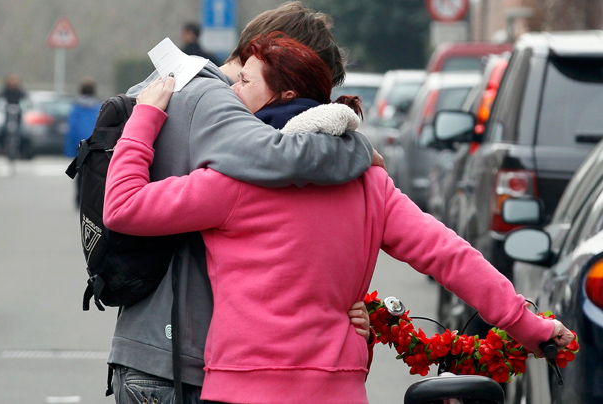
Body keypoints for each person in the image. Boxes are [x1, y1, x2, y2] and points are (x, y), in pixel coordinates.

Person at [104, 32, 574, 404]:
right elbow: (450, 256)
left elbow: (123, 207)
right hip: (338, 389)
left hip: (241, 388)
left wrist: (144, 117)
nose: (231, 90)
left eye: (245, 81)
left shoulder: (233, 184)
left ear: (283, 94)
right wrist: (530, 327)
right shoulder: (368, 181)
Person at [106, 2, 381, 403]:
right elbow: (281, 156)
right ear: (278, 60)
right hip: (177, 360)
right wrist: (358, 149)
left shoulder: (180, 83)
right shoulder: (217, 102)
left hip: (156, 348)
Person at [65, 78, 101, 207]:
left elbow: (72, 130)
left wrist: (70, 150)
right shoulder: (99, 107)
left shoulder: (76, 109)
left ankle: (79, 197)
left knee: (80, 173)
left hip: (80, 145)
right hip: (95, 144)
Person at [0, 73, 28, 151]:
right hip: (7, 115)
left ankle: (22, 148)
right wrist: (2, 106)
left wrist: (23, 106)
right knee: (3, 130)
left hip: (18, 115)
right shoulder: (4, 91)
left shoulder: (20, 91)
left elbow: (26, 100)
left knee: (22, 131)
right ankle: (2, 147)